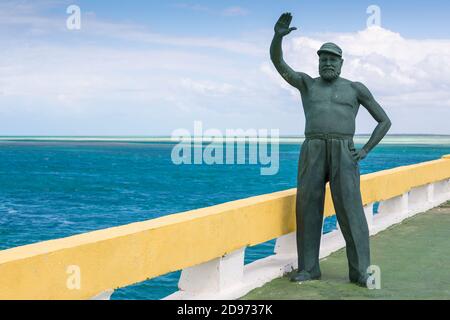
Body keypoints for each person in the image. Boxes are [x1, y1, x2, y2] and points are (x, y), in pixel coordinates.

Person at [270, 12, 392, 286]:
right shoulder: (307, 84)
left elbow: (384, 121)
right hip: (313, 148)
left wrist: (365, 151)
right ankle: (309, 268)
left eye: (332, 58)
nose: (327, 62)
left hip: (343, 151)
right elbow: (279, 64)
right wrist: (278, 37)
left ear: (341, 62)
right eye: (323, 58)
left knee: (351, 212)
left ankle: (360, 271)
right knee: (307, 209)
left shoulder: (355, 88)